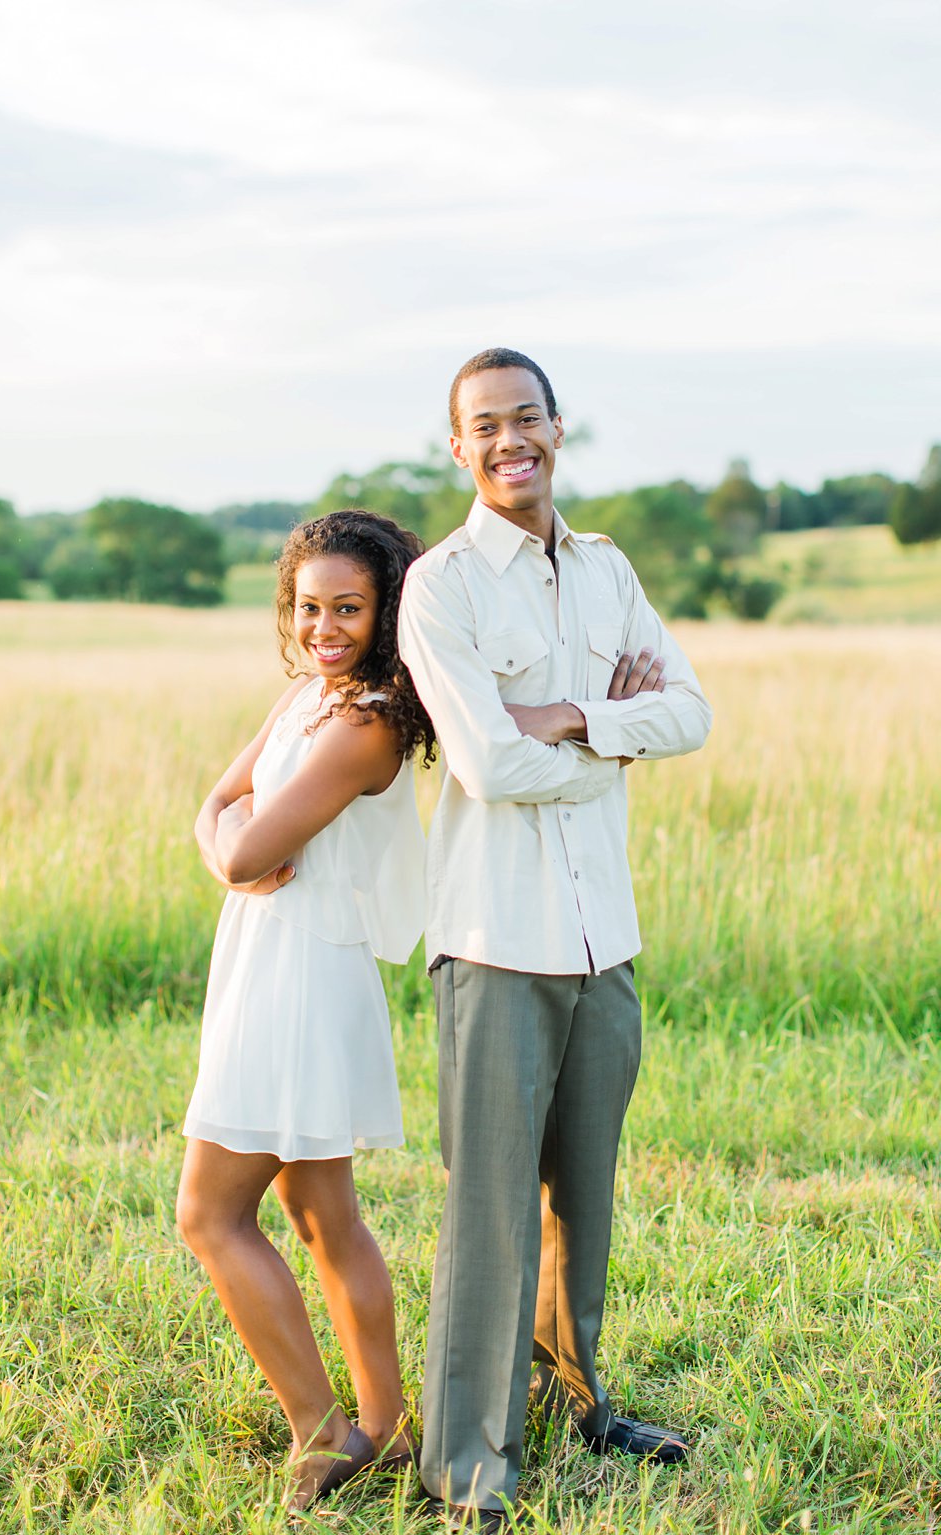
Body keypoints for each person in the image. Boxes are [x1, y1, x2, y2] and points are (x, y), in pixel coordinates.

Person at [398, 347, 710, 1526]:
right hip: (492, 941)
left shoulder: (605, 568)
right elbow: (482, 758)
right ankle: (465, 1462)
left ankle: (579, 1398)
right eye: (481, 425)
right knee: (488, 1211)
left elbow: (689, 708)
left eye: (522, 416)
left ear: (556, 427)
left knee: (583, 1193)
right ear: (457, 447)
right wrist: (616, 746)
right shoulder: (441, 587)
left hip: (601, 938)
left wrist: (581, 714)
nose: (504, 439)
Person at [176, 510, 436, 1512]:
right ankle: (386, 1419)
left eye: (347, 607)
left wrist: (229, 844)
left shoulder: (364, 720)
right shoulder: (305, 695)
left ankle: (328, 1427)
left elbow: (240, 846)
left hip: (299, 977)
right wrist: (225, 840)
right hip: (267, 959)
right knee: (319, 1212)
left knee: (208, 1213)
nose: (323, 624)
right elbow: (217, 810)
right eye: (306, 605)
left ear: (386, 613)